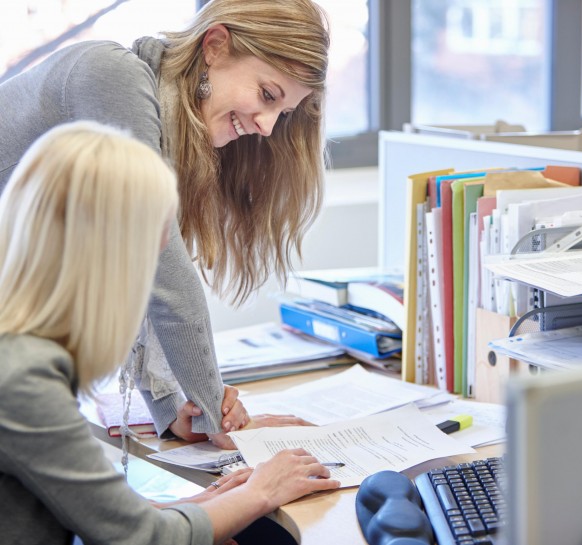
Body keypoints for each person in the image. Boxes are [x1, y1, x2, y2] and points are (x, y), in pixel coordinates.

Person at [0, 0, 330, 448]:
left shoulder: (157, 125)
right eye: (268, 95)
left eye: (283, 112)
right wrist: (216, 414)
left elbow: (127, 266)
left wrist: (175, 408)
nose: (268, 127)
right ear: (215, 45)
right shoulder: (113, 75)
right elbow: (163, 274)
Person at [0, 121, 340, 545]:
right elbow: (141, 539)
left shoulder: (21, 352)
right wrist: (261, 490)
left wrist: (204, 505)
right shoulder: (22, 381)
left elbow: (90, 509)